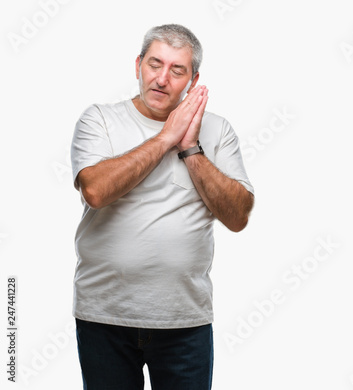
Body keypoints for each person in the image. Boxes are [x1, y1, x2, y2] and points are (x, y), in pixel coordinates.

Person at [70, 24, 254, 390]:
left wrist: (190, 149)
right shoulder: (100, 119)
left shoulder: (218, 131)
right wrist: (166, 137)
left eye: (177, 70)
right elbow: (94, 190)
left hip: (185, 321)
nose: (162, 78)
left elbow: (238, 216)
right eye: (155, 64)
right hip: (105, 315)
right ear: (138, 65)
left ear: (193, 78)